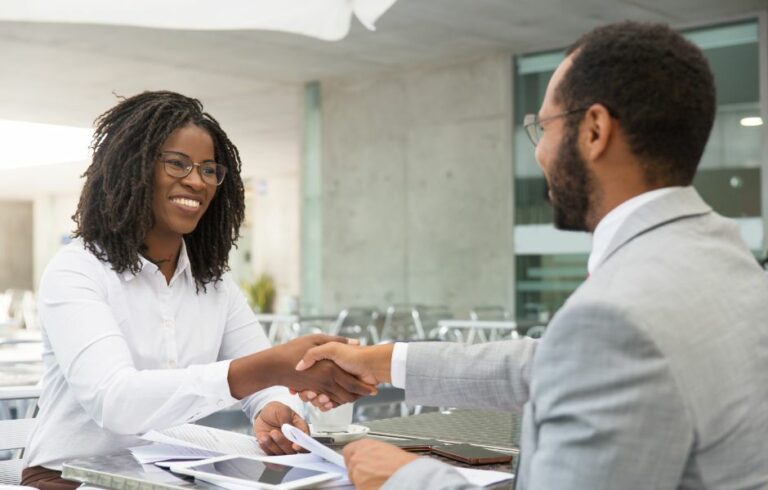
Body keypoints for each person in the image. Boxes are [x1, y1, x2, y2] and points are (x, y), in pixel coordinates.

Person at [295, 21, 768, 489]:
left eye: (544, 127)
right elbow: (546, 366)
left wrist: (405, 476)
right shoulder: (730, 263)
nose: (539, 152)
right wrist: (382, 362)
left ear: (594, 130)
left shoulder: (619, 315)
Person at [21, 91, 375, 490]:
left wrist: (275, 406)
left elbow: (263, 380)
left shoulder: (214, 284)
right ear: (130, 168)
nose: (197, 180)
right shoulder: (78, 269)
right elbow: (116, 402)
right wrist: (267, 367)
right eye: (177, 163)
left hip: (166, 473)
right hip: (68, 476)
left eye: (209, 169)